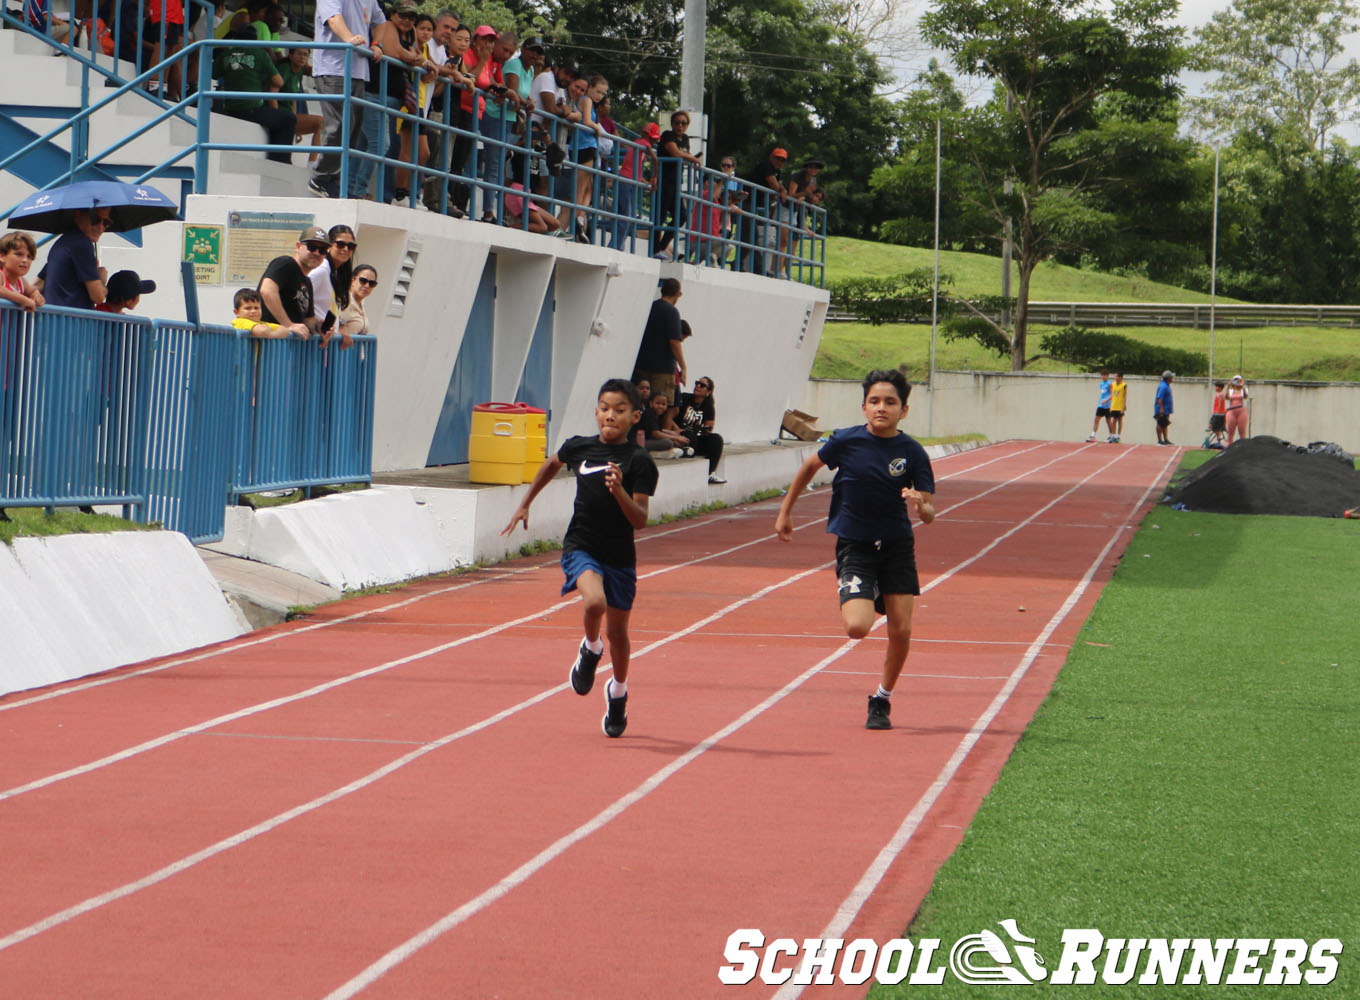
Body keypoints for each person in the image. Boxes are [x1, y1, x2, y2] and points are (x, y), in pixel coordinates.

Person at [774, 368, 936, 730]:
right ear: (864, 407)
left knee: (902, 631)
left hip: (896, 546)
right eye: (875, 401)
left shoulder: (912, 453)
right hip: (856, 545)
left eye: (890, 402)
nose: (882, 408)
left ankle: (881, 699)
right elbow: (808, 467)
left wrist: (919, 505)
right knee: (857, 628)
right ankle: (869, 589)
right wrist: (786, 512)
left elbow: (929, 512)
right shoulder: (846, 441)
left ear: (904, 410)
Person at [502, 378, 659, 738]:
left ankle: (617, 692)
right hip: (581, 545)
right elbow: (552, 464)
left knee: (619, 634)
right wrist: (525, 504)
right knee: (594, 602)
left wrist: (618, 489)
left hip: (619, 555)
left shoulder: (639, 462)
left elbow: (640, 519)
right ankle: (590, 649)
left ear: (635, 416)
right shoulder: (580, 447)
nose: (610, 416)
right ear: (596, 411)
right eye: (604, 408)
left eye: (620, 411)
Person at [308, 0, 386, 199]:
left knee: (353, 129)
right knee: (340, 125)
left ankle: (335, 181)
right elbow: (334, 19)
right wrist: (349, 38)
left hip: (358, 71)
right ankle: (321, 177)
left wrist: (377, 44)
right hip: (332, 68)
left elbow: (381, 21)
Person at [216, 26, 295, 164]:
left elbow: (212, 74)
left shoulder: (225, 55)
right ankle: (280, 163)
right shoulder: (260, 54)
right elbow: (279, 81)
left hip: (230, 108)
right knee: (288, 119)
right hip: (252, 110)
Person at [34, 208, 110, 309]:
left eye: (106, 222)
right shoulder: (83, 243)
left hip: (51, 319)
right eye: (95, 219)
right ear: (77, 215)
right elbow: (98, 297)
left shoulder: (62, 242)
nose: (101, 227)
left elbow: (36, 285)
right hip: (71, 322)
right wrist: (101, 279)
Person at [257, 226, 329, 334]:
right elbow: (267, 291)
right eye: (311, 247)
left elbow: (308, 319)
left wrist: (322, 329)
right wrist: (288, 325)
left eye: (322, 250)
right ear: (298, 246)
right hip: (270, 344)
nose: (317, 253)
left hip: (286, 346)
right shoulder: (285, 263)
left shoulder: (307, 282)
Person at [652, 110, 702, 261]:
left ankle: (661, 247)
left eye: (684, 123)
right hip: (664, 180)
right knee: (659, 216)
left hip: (675, 182)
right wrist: (692, 158)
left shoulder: (685, 138)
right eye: (677, 122)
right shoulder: (668, 135)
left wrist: (692, 159)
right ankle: (655, 249)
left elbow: (685, 155)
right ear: (672, 124)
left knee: (681, 216)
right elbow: (674, 153)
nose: (680, 126)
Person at [632, 277, 685, 406]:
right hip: (662, 369)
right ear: (677, 293)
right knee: (661, 406)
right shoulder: (672, 311)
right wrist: (683, 366)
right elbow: (674, 342)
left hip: (642, 364)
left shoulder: (651, 307)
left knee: (641, 403)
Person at [609, 121, 658, 249]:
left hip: (626, 180)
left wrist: (644, 181)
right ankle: (616, 246)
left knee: (627, 216)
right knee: (627, 216)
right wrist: (654, 177)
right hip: (626, 181)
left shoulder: (637, 145)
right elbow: (655, 159)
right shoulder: (644, 144)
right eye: (653, 139)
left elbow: (632, 169)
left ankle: (617, 245)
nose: (653, 143)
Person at [740, 146, 788, 275]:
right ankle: (756, 268)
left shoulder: (776, 171)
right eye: (778, 158)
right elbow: (775, 185)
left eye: (783, 160)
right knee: (750, 235)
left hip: (753, 203)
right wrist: (782, 190)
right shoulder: (766, 166)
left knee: (749, 235)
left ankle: (742, 264)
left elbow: (777, 187)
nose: (780, 162)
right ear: (771, 157)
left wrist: (781, 190)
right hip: (746, 200)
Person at [309, 224, 356, 342]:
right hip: (311, 337)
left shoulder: (335, 272)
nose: (345, 249)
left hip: (323, 339)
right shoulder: (322, 269)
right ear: (329, 246)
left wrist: (341, 326)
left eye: (350, 246)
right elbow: (300, 296)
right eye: (340, 244)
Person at [673, 375, 725, 483]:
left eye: (702, 385)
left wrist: (699, 433)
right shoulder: (684, 398)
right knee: (689, 435)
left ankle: (710, 473)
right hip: (681, 434)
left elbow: (708, 429)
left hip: (696, 438)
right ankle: (685, 450)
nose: (698, 386)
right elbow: (670, 417)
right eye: (697, 383)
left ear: (708, 392)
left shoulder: (709, 406)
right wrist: (678, 430)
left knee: (717, 439)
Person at [276, 47, 323, 162]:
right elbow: (272, 92)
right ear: (290, 56)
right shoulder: (285, 68)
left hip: (288, 116)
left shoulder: (299, 71)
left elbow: (294, 99)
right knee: (322, 122)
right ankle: (312, 164)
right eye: (299, 54)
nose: (302, 57)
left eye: (306, 55)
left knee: (322, 123)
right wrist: (275, 114)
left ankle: (312, 163)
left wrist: (294, 120)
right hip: (279, 114)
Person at [231, 286, 309, 337]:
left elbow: (285, 330)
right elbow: (262, 331)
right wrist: (269, 333)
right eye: (248, 308)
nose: (253, 311)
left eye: (256, 308)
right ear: (236, 312)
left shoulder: (261, 324)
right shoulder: (240, 321)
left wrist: (269, 334)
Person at [0, 231, 45, 311]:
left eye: (29, 256)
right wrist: (23, 300)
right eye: (19, 254)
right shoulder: (1, 275)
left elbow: (33, 290)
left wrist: (36, 295)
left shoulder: (21, 282)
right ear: (2, 256)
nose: (25, 260)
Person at [335, 263, 376, 340]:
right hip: (338, 350)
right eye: (363, 281)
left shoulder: (361, 303)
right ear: (352, 280)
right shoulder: (343, 301)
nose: (367, 286)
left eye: (372, 283)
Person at [638, 389, 686, 455]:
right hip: (638, 442)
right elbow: (656, 434)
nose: (660, 406)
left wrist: (674, 434)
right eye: (657, 403)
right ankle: (655, 454)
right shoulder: (649, 413)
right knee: (668, 442)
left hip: (648, 440)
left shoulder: (657, 415)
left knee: (675, 438)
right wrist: (676, 438)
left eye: (663, 404)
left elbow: (659, 430)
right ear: (651, 403)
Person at [1086, 369, 1112, 442]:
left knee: (1108, 421)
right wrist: (1102, 401)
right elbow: (1103, 394)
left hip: (1108, 405)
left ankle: (1111, 436)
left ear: (1107, 376)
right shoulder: (1101, 384)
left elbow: (1113, 395)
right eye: (1102, 375)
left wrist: (1106, 400)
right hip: (1101, 405)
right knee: (1096, 419)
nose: (1103, 377)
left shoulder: (1110, 384)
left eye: (1105, 375)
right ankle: (1093, 436)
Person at [1224, 373, 1250, 446]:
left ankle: (1243, 449)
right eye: (1235, 380)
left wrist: (1243, 386)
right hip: (1231, 411)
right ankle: (1228, 448)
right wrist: (1228, 386)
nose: (1237, 382)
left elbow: (1246, 396)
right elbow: (1227, 397)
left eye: (1238, 380)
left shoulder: (1244, 390)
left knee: (1242, 433)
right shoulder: (1231, 390)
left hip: (1241, 411)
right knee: (1230, 433)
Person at [1154, 370, 1174, 445]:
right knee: (1160, 423)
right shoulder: (1163, 386)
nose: (1172, 378)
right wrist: (1161, 408)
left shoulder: (1167, 385)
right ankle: (1160, 440)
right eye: (1171, 377)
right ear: (1168, 378)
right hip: (1162, 409)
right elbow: (1159, 398)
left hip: (1166, 409)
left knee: (1165, 424)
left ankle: (1166, 439)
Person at [1207, 380, 1227, 449]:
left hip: (1218, 414)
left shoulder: (1221, 394)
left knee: (1215, 428)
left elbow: (1220, 404)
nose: (1215, 388)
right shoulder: (1219, 394)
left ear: (1220, 387)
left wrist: (1217, 414)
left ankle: (1220, 440)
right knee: (1215, 428)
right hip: (1217, 413)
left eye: (1217, 387)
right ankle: (1219, 440)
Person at [1108, 370, 1127, 442]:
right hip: (1114, 405)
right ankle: (1113, 435)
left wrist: (1123, 407)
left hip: (1120, 406)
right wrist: (1110, 405)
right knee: (1114, 421)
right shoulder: (1113, 384)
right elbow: (1112, 395)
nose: (1115, 377)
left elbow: (1125, 396)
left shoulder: (1124, 385)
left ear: (1120, 377)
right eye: (1115, 376)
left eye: (1116, 376)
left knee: (1120, 421)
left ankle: (1118, 436)